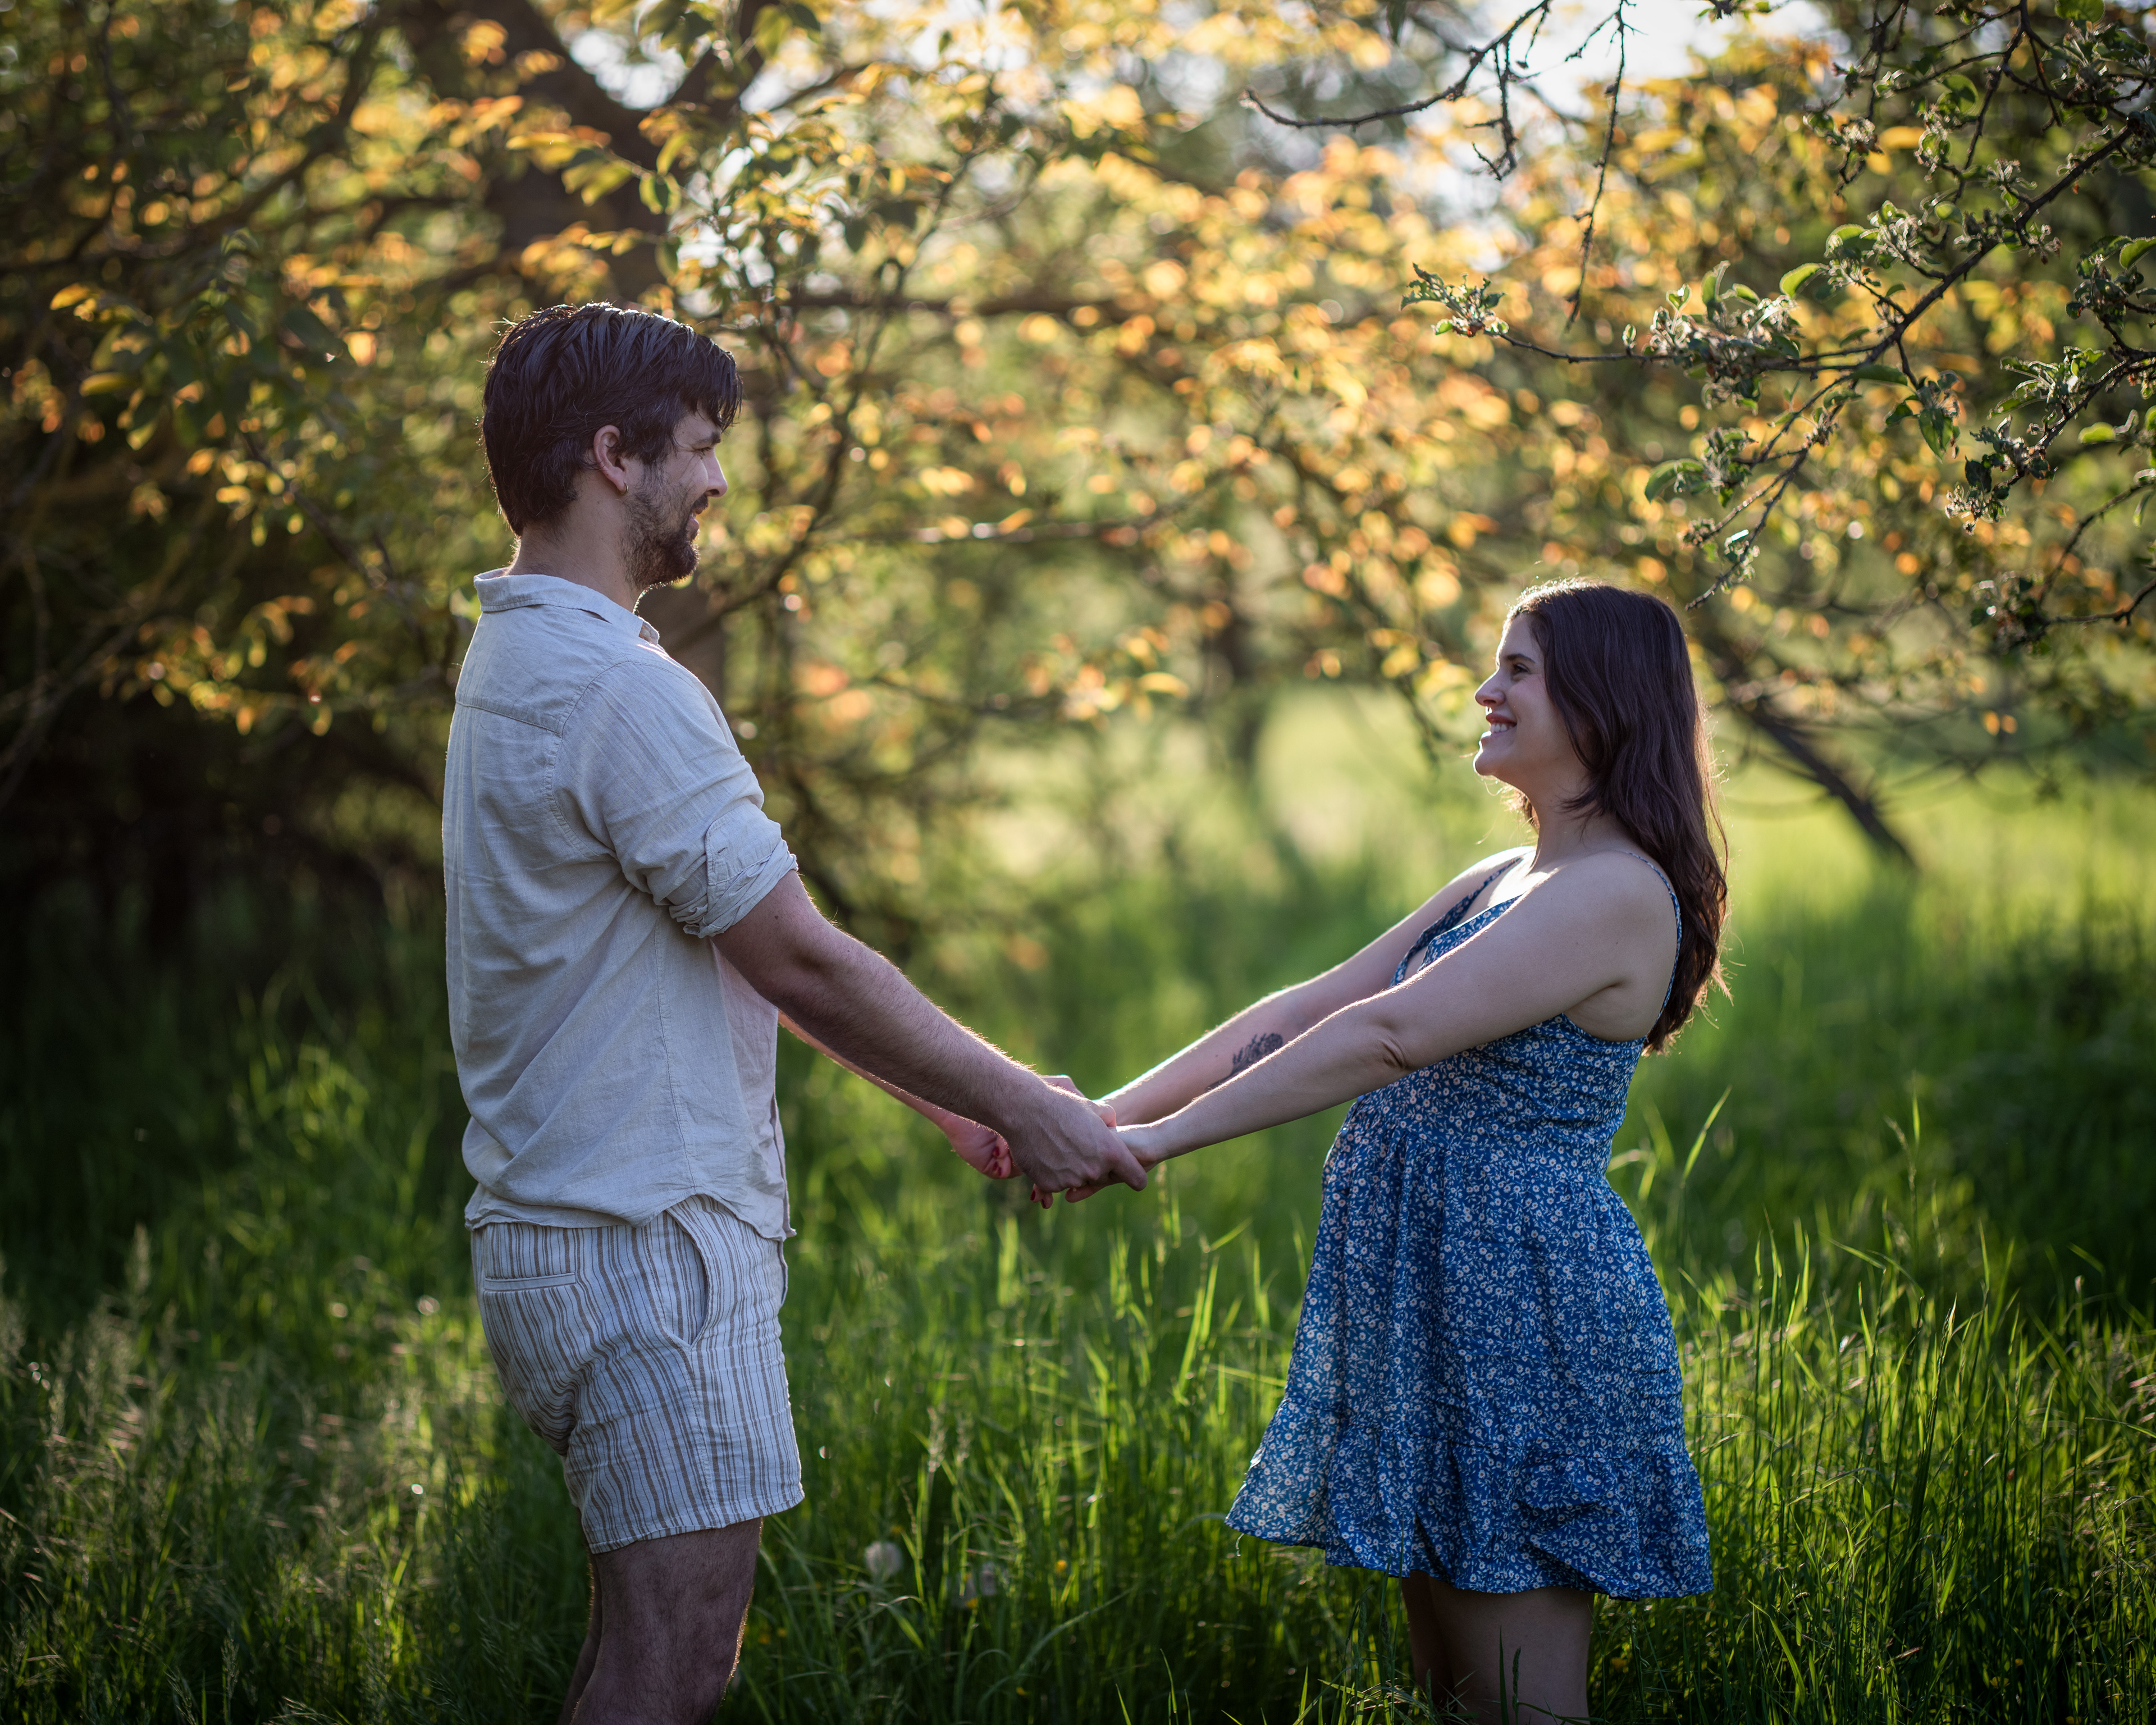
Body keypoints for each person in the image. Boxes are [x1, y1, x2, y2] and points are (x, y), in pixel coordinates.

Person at [444, 301, 1144, 1725]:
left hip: (569, 1236)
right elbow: (804, 956)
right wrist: (1027, 1101)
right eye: (699, 449)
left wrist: (943, 1101)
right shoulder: (619, 690)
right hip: (652, 1252)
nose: (718, 482)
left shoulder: (513, 660)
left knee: (637, 1655)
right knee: (670, 1672)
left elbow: (740, 955)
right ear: (611, 458)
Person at [1097, 580, 1724, 1724]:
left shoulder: (1617, 894)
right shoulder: (1501, 879)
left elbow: (1389, 1035)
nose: (1487, 693)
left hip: (1522, 1319)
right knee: (1457, 1699)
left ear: (1604, 701)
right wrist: (1103, 1119)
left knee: (1523, 1706)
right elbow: (1315, 1002)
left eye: (1518, 671)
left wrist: (1160, 1144)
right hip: (1435, 1306)